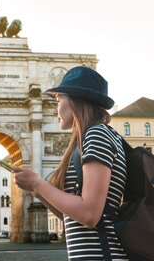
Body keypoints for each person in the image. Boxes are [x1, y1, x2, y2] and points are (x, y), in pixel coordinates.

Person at [13, 66, 128, 260]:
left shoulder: (97, 135)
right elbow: (75, 218)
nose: (54, 109)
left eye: (58, 100)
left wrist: (38, 183)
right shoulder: (93, 137)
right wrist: (40, 192)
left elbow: (90, 214)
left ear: (74, 100)